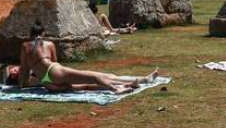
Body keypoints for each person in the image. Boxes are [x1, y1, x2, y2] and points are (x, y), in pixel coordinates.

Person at [19, 21, 158, 93]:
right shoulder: (47, 43)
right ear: (43, 33)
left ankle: (132, 83)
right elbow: (55, 63)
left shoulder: (25, 46)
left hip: (47, 81)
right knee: (95, 76)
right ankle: (117, 89)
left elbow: (24, 70)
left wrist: (23, 85)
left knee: (87, 85)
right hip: (54, 72)